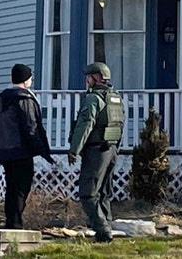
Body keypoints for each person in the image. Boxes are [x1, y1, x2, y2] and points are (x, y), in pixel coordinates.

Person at [0, 63, 53, 230]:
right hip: (20, 151)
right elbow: (30, 125)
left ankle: (11, 221)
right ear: (25, 80)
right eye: (30, 77)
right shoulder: (24, 98)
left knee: (11, 187)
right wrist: (42, 150)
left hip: (4, 149)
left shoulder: (1, 98)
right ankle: (15, 224)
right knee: (21, 188)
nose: (31, 80)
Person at [67, 62, 125, 243]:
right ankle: (105, 228)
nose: (86, 80)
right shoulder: (115, 97)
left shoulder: (93, 98)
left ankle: (103, 230)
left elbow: (85, 125)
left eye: (89, 76)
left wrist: (74, 150)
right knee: (104, 193)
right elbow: (120, 125)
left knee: (88, 193)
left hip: (96, 150)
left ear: (98, 77)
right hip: (111, 149)